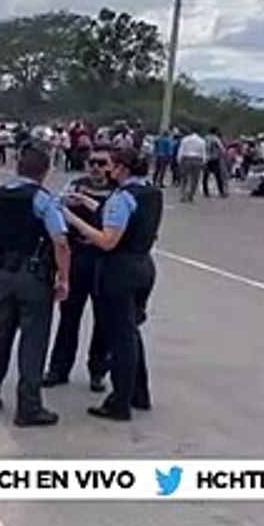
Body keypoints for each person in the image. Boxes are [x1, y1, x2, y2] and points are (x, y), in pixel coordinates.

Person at [62, 148, 163, 422]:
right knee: (132, 331)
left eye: (113, 166)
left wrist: (74, 220)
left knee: (121, 338)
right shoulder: (150, 193)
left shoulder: (122, 197)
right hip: (143, 265)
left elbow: (108, 239)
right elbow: (116, 215)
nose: (108, 171)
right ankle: (138, 393)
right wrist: (85, 200)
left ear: (122, 169)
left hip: (119, 270)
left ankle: (120, 401)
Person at [0, 144, 71, 427]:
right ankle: (28, 406)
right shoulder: (42, 199)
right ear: (45, 172)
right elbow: (61, 242)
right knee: (33, 340)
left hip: (4, 272)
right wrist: (63, 278)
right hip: (34, 274)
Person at [43, 144, 113, 392]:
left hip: (104, 259)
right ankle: (58, 369)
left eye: (102, 163)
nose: (96, 168)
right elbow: (57, 213)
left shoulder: (116, 192)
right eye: (92, 162)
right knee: (68, 316)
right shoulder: (75, 186)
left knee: (103, 319)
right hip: (78, 256)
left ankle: (98, 371)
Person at [176, 128, 206, 202]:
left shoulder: (185, 139)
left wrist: (179, 160)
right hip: (197, 159)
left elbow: (181, 150)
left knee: (184, 179)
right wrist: (203, 162)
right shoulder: (202, 141)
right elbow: (203, 152)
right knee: (195, 179)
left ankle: (183, 195)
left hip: (186, 159)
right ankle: (191, 195)